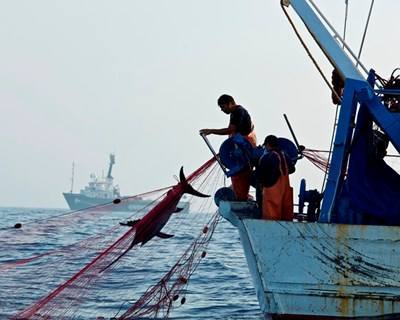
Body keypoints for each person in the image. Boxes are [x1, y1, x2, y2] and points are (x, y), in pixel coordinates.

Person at [200, 94, 257, 201]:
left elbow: (230, 130)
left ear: (230, 103)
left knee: (241, 176)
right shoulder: (235, 113)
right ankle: (241, 197)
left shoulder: (238, 112)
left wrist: (211, 131)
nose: (222, 110)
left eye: (223, 107)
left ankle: (242, 199)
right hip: (240, 149)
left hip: (244, 150)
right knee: (238, 177)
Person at [257, 135, 294, 220]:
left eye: (265, 145)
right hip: (285, 190)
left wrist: (262, 184)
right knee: (285, 214)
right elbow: (292, 169)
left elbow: (261, 175)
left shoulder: (267, 157)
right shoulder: (284, 155)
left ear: (268, 144)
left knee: (271, 215)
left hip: (272, 192)